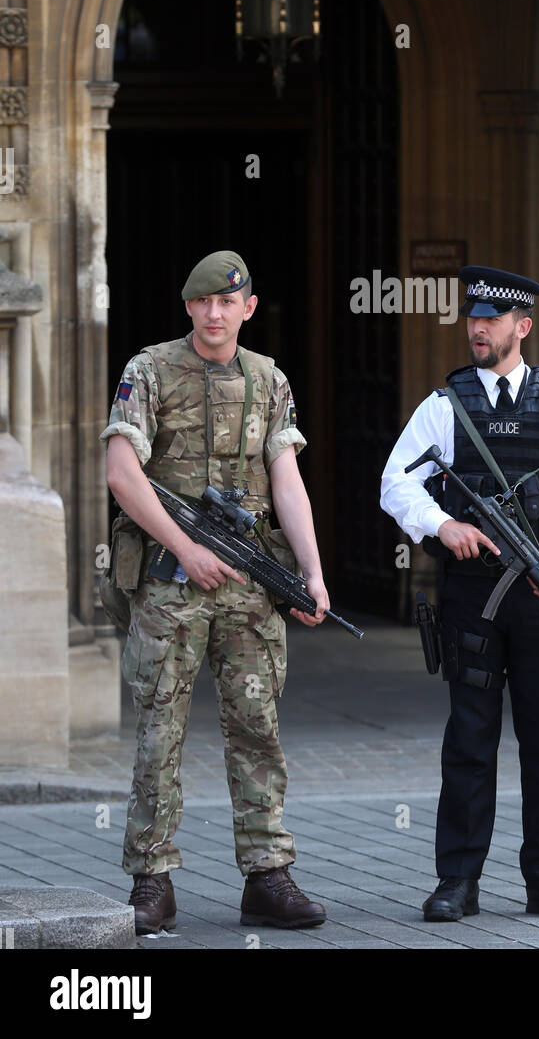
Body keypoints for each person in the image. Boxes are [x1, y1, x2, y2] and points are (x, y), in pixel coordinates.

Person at [381, 265, 539, 923]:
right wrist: (443, 524)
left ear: (523, 326)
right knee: (469, 738)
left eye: (491, 319)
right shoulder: (447, 405)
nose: (477, 328)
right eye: (472, 318)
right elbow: (395, 484)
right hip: (473, 595)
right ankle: (457, 882)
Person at [100, 249, 330, 935]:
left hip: (248, 582)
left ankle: (267, 875)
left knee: (257, 729)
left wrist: (311, 573)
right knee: (159, 732)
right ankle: (152, 880)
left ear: (248, 308)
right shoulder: (149, 368)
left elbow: (285, 478)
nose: (214, 313)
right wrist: (184, 547)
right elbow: (121, 472)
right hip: (173, 582)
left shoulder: (269, 380)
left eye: (228, 302)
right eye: (202, 302)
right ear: (189, 307)